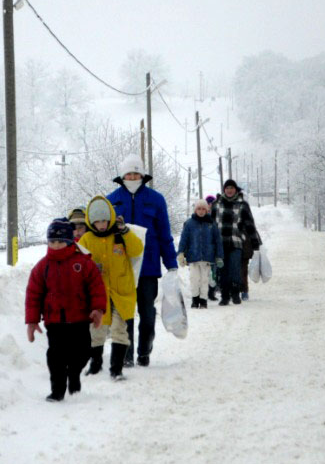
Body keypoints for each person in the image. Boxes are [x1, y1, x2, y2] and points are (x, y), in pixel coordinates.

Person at [107, 154, 178, 367]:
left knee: (147, 315)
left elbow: (165, 234)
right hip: (122, 268)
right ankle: (126, 354)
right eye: (129, 173)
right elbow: (103, 235)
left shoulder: (156, 199)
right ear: (122, 176)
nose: (132, 176)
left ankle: (144, 351)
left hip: (148, 268)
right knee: (124, 314)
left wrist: (171, 264)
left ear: (142, 175)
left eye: (136, 172)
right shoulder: (111, 200)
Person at [25, 218, 106, 402]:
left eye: (61, 241)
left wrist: (98, 310)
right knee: (56, 357)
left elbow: (96, 287)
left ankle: (74, 373)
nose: (56, 245)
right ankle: (57, 391)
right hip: (55, 322)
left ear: (70, 241)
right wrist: (32, 321)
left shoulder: (83, 263)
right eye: (52, 241)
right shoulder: (42, 267)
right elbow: (33, 294)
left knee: (84, 352)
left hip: (79, 319)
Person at [78, 196, 144, 380]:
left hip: (121, 292)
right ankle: (95, 365)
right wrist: (90, 267)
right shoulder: (86, 239)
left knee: (119, 330)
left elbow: (137, 250)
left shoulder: (120, 234)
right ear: (91, 221)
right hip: (97, 295)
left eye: (104, 220)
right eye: (97, 221)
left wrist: (125, 232)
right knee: (96, 331)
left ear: (111, 218)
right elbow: (78, 263)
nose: (101, 225)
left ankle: (117, 369)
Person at [211, 179, 261, 306]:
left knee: (235, 269)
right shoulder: (217, 204)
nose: (229, 190)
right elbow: (210, 224)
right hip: (220, 244)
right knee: (222, 271)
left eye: (231, 188)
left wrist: (254, 242)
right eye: (227, 188)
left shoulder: (243, 205)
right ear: (224, 190)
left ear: (236, 190)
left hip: (236, 242)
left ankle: (235, 294)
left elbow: (249, 224)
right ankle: (225, 296)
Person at [176, 199, 223, 309]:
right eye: (199, 209)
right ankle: (195, 299)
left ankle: (203, 300)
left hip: (207, 257)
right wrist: (181, 253)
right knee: (194, 278)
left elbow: (217, 241)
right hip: (193, 257)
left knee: (204, 280)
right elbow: (184, 239)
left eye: (203, 209)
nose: (201, 211)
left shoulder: (211, 223)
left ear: (207, 210)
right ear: (195, 210)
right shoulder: (189, 224)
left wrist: (219, 256)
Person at [204, 195, 219, 302]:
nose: (210, 206)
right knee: (204, 272)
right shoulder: (201, 217)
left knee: (213, 272)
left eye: (212, 203)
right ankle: (203, 292)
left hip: (214, 248)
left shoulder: (217, 217)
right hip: (203, 249)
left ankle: (211, 292)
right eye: (208, 203)